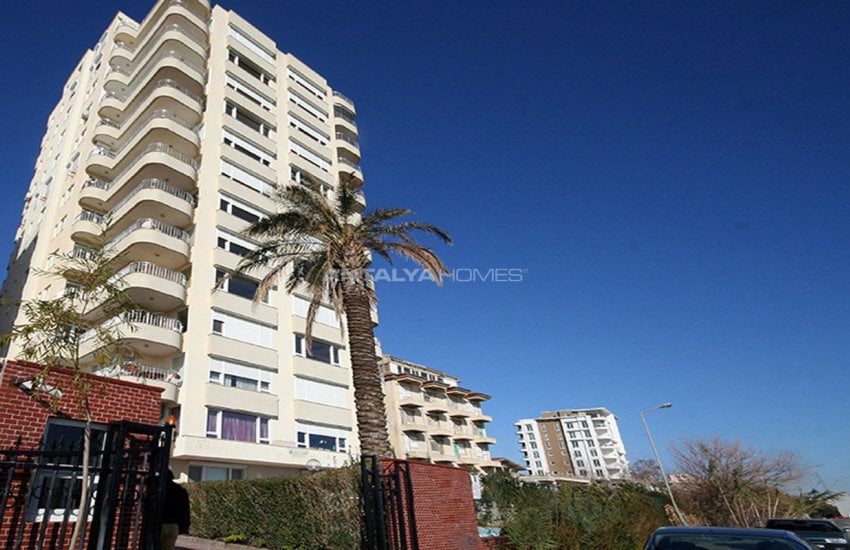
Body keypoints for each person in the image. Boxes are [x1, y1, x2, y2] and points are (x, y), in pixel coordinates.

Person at [160, 469, 190, 550]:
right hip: (173, 525)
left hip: (159, 523)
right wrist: (185, 526)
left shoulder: (158, 489)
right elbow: (185, 510)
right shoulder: (181, 491)